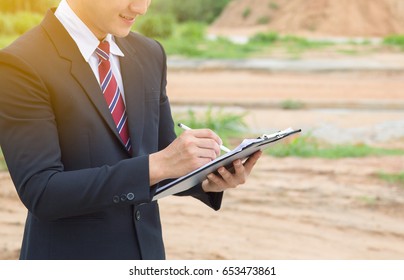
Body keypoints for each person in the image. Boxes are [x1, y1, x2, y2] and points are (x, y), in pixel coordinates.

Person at [0, 0, 262, 260]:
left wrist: (208, 179)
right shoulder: (20, 64)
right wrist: (156, 166)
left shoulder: (149, 53)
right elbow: (43, 192)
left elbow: (163, 157)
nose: (141, 8)